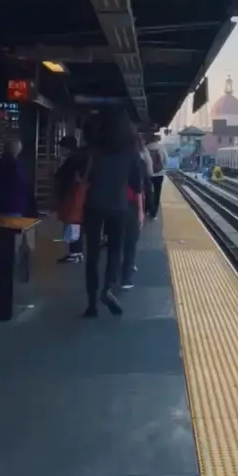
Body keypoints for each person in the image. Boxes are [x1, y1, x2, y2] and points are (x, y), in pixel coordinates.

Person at [76, 106, 143, 318]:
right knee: (115, 250)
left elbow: (81, 175)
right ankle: (108, 288)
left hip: (94, 205)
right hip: (118, 206)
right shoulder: (130, 150)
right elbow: (137, 183)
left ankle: (91, 304)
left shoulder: (94, 148)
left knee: (92, 253)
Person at [120, 133, 150, 290]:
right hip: (130, 204)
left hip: (112, 204)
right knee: (130, 242)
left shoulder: (111, 159)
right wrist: (141, 211)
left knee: (115, 242)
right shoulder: (137, 161)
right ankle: (126, 276)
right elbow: (141, 187)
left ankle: (111, 278)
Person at [54, 135, 84, 263]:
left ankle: (75, 253)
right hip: (74, 195)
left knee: (73, 223)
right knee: (74, 222)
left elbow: (63, 175)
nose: (60, 150)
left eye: (62, 147)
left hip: (72, 195)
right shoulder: (75, 158)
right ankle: (76, 252)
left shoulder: (72, 160)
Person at [0, 138, 36, 217]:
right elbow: (25, 187)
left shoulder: (0, 164)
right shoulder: (19, 166)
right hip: (15, 207)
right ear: (18, 151)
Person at [146, 135, 167, 218]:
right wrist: (163, 167)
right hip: (159, 174)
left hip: (148, 174)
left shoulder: (146, 148)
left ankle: (147, 209)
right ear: (157, 140)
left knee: (148, 192)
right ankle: (154, 213)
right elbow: (166, 160)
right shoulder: (161, 147)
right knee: (157, 193)